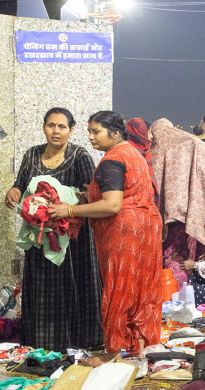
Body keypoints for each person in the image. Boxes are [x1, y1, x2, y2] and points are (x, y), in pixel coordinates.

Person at [47, 111, 162, 357]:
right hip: (146, 226)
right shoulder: (133, 153)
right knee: (141, 288)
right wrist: (89, 195)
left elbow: (112, 204)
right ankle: (139, 349)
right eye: (89, 131)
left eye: (96, 131)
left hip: (124, 231)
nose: (91, 137)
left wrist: (69, 209)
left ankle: (115, 351)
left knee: (119, 287)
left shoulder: (113, 159)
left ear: (115, 132)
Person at [5, 107, 102, 352]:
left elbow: (90, 195)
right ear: (43, 127)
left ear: (71, 130)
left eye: (62, 127)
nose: (56, 131)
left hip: (72, 239)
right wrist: (14, 192)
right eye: (51, 125)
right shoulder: (31, 155)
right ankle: (42, 342)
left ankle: (79, 342)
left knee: (73, 286)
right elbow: (20, 185)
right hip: (40, 236)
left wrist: (64, 206)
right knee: (41, 288)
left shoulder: (79, 157)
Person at [149, 118, 205, 288]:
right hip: (189, 212)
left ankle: (168, 292)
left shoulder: (156, 149)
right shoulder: (192, 144)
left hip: (164, 217)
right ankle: (182, 291)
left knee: (168, 255)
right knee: (184, 254)